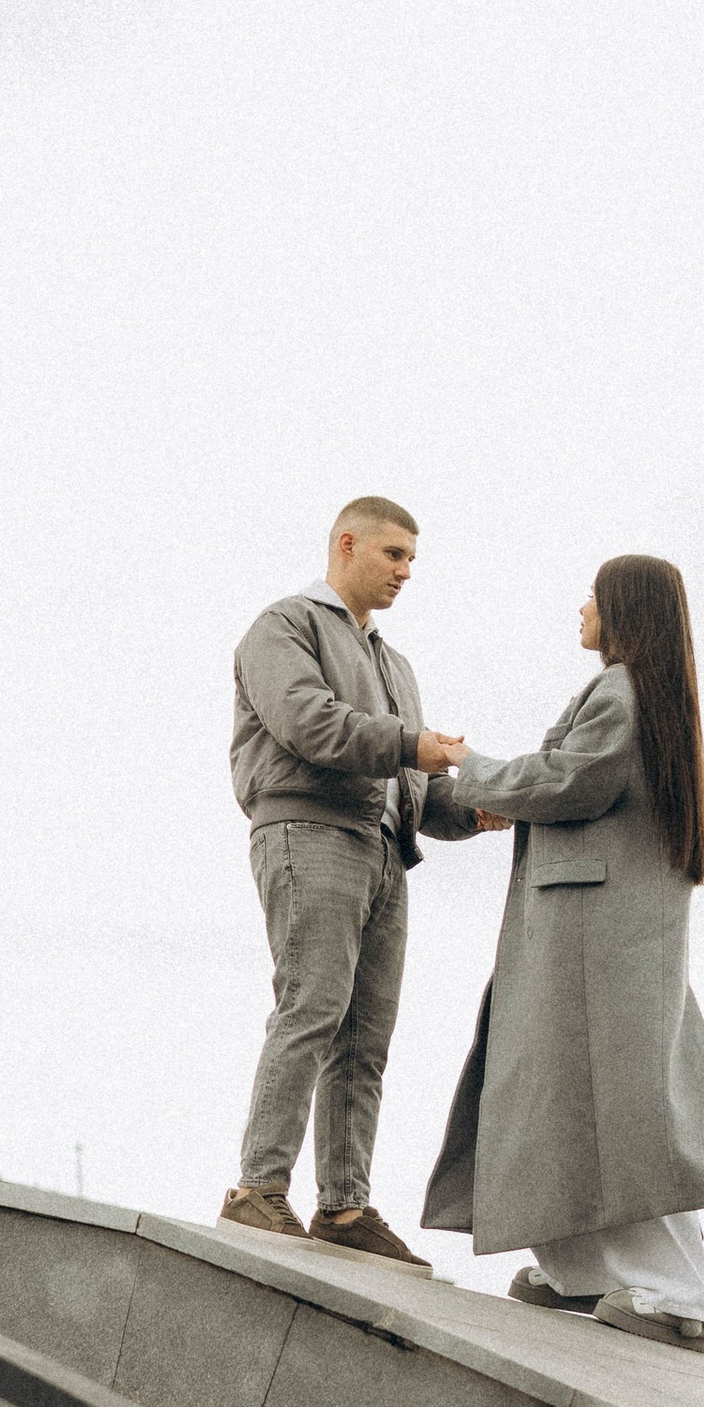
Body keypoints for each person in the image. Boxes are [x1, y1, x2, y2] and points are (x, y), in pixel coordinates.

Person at [421, 555, 704, 1350]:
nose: (580, 606)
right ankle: (585, 1274)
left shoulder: (621, 691)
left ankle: (677, 1296)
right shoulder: (644, 692)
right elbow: (570, 783)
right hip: (591, 928)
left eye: (593, 595)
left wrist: (461, 767)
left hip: (592, 931)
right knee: (571, 1102)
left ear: (621, 610)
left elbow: (569, 780)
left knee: (622, 1110)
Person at [223, 498, 480, 1266]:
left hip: (382, 851)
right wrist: (413, 744)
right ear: (347, 545)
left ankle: (343, 1207)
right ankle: (257, 1191)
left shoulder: (396, 664)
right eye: (394, 555)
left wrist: (475, 810)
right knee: (313, 1006)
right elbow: (310, 724)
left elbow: (415, 787)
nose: (406, 572)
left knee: (366, 1036)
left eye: (412, 560)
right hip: (308, 833)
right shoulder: (284, 626)